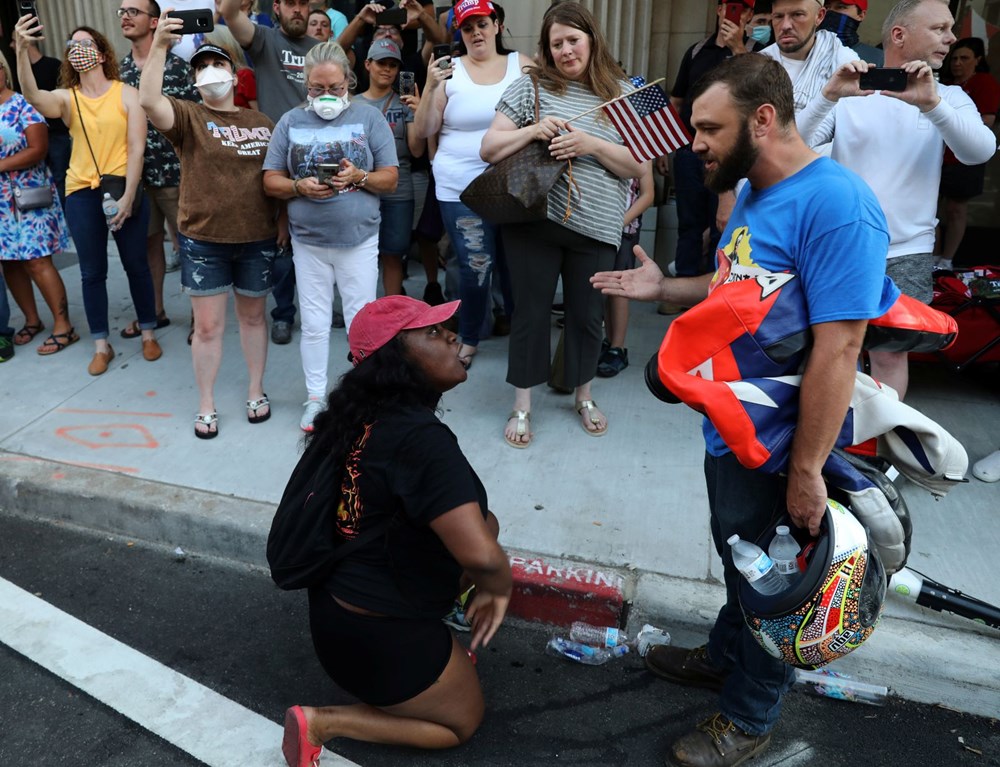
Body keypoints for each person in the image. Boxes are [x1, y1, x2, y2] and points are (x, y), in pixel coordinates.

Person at [591, 53, 898, 767]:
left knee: (777, 582)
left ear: (762, 119)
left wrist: (807, 471)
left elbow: (839, 348)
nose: (694, 142)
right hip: (732, 426)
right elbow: (738, 289)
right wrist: (664, 290)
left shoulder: (838, 206)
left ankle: (749, 716)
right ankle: (725, 653)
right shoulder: (758, 188)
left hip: (784, 445)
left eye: (708, 128)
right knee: (742, 557)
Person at [279, 295, 511, 763]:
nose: (451, 335)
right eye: (431, 332)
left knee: (486, 522)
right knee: (460, 722)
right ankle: (323, 722)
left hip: (336, 615)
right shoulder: (420, 440)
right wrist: (497, 587)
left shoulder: (358, 415)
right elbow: (481, 557)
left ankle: (436, 649)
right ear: (396, 359)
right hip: (377, 640)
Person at [796, 0, 997, 399]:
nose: (951, 38)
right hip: (842, 245)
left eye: (950, 28)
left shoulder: (948, 96)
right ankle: (832, 433)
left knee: (890, 354)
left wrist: (931, 104)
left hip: (908, 249)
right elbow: (794, 146)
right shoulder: (852, 92)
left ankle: (880, 436)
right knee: (834, 347)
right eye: (939, 28)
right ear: (900, 35)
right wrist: (829, 96)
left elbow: (980, 151)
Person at [480, 2, 645, 446]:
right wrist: (532, 131)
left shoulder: (620, 93)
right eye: (557, 44)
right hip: (534, 220)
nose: (566, 50)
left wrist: (591, 144)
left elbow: (637, 165)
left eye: (573, 40)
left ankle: (583, 396)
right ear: (547, 49)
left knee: (587, 317)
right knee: (530, 313)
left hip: (597, 226)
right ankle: (522, 405)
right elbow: (489, 146)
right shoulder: (530, 86)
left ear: (592, 39)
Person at [140, 20, 279, 438]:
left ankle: (255, 389)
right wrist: (159, 46)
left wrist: (284, 222)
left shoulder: (262, 121)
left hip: (257, 238)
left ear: (235, 76)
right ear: (195, 80)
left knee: (253, 319)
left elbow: (276, 176)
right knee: (207, 328)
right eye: (201, 67)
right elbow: (149, 100)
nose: (210, 71)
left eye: (218, 64)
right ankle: (206, 403)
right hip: (204, 241)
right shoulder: (188, 116)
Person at [263, 41, 399, 433]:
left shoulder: (369, 117)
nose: (326, 95)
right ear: (305, 84)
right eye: (317, 88)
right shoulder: (290, 121)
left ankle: (363, 397)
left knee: (361, 321)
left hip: (358, 240)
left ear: (348, 82)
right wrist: (298, 186)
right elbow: (270, 180)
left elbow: (390, 178)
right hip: (309, 242)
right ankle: (316, 398)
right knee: (315, 323)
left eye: (335, 88)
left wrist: (360, 176)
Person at [14, 16, 162, 376]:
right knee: (92, 271)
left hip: (122, 187)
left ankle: (147, 332)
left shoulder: (127, 93)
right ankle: (101, 344)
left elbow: (137, 148)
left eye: (85, 43)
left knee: (136, 265)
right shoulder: (68, 98)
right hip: (81, 191)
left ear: (101, 53)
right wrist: (20, 51)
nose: (78, 50)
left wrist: (129, 196)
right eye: (72, 45)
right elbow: (33, 96)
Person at [414, 0, 530, 370]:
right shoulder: (449, 71)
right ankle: (469, 338)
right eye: (467, 27)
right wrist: (431, 86)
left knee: (516, 267)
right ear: (459, 34)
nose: (476, 32)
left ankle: (523, 337)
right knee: (476, 265)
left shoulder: (523, 66)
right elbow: (425, 130)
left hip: (513, 186)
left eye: (482, 24)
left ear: (497, 25)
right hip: (459, 187)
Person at [220, 0, 319, 346]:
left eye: (303, 3)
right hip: (275, 158)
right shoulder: (264, 39)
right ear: (276, 7)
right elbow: (229, 13)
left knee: (316, 242)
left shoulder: (319, 49)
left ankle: (319, 309)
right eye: (290, 3)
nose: (298, 10)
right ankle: (284, 313)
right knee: (281, 246)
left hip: (316, 154)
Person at [119, 0, 201, 339]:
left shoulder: (179, 68)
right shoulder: (118, 71)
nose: (125, 17)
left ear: (155, 22)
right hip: (136, 176)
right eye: (122, 12)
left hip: (176, 174)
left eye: (133, 11)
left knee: (189, 244)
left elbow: (196, 121)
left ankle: (200, 318)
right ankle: (155, 312)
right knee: (149, 243)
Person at [667, 0, 760, 288]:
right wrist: (666, 147)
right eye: (730, 6)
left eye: (742, 9)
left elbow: (756, 95)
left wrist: (738, 49)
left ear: (749, 15)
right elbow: (677, 100)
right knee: (689, 222)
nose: (735, 13)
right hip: (690, 151)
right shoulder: (696, 51)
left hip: (728, 155)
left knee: (724, 225)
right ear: (719, 9)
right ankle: (682, 285)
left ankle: (714, 291)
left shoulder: (756, 52)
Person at [0, 52, 76, 357]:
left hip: (29, 197)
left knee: (37, 261)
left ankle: (64, 325)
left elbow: (38, 149)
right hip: (1, 204)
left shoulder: (23, 104)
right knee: (9, 262)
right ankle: (32, 320)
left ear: (4, 70)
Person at [356, 38, 425, 295]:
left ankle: (391, 311)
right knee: (358, 255)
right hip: (361, 189)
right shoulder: (352, 104)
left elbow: (417, 150)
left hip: (398, 190)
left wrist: (417, 112)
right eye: (381, 63)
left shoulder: (405, 103)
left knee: (393, 255)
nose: (387, 69)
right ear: (368, 64)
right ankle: (361, 310)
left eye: (393, 65)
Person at [937, 37, 999, 270]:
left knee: (955, 209)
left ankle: (947, 259)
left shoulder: (984, 82)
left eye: (964, 58)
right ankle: (933, 258)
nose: (957, 63)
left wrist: (951, 124)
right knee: (931, 210)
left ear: (978, 60)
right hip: (937, 158)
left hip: (963, 159)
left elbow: (987, 121)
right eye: (954, 58)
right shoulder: (945, 83)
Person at [596, 162, 654, 377]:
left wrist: (620, 223)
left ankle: (617, 348)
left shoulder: (641, 149)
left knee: (620, 286)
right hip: (596, 226)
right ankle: (609, 340)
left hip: (624, 228)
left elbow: (648, 195)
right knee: (602, 283)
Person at [761, 0, 857, 113]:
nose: (785, 26)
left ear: (819, 16)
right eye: (778, 16)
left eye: (797, 15)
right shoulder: (757, 64)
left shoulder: (843, 62)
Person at [821, 0, 884, 65]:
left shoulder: (879, 59)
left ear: (861, 15)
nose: (830, 11)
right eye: (827, 7)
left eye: (841, 7)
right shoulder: (814, 51)